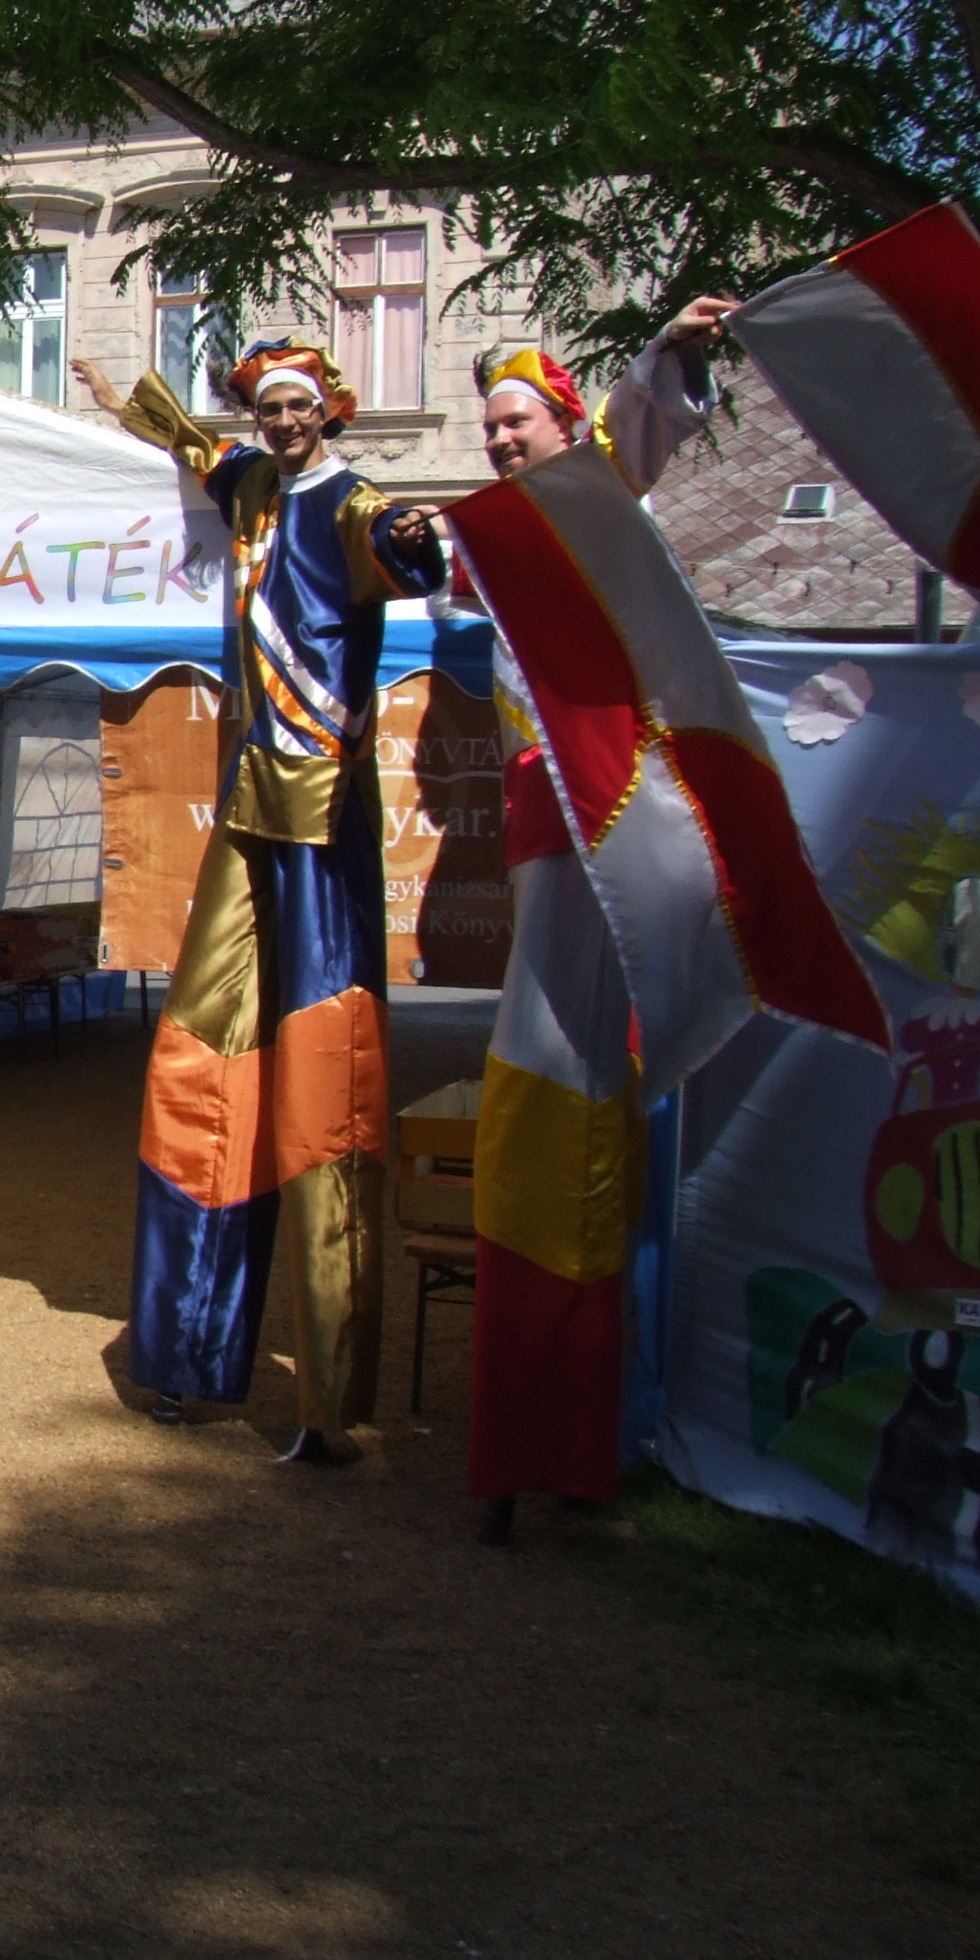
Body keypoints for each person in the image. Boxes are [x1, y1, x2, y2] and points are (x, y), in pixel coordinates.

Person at [128, 340, 448, 1463]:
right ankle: (188, 1350)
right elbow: (197, 451)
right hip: (249, 798)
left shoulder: (352, 503)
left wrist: (417, 541)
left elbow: (401, 553)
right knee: (199, 1060)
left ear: (330, 411)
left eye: (298, 406)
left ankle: (329, 1399)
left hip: (318, 806)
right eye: (268, 407)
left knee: (324, 1083)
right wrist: (126, 397)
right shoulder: (254, 484)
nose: (282, 422)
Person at [461, 301, 733, 1540]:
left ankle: (575, 1441)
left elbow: (626, 440)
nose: (497, 440)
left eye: (514, 421)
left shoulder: (591, 502)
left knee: (596, 1118)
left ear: (563, 427)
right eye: (487, 427)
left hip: (607, 822)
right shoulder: (500, 534)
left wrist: (666, 351)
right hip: (548, 829)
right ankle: (532, 1442)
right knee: (546, 1107)